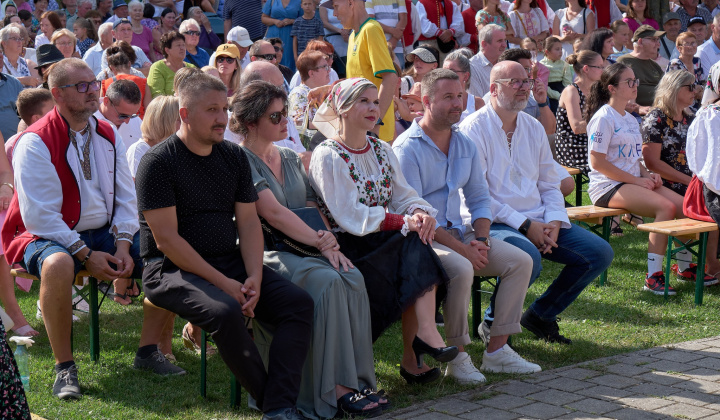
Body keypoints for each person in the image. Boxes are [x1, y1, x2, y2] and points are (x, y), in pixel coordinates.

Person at [2, 58, 184, 401]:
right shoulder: (34, 141)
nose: (93, 91)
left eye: (93, 84)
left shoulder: (106, 131)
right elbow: (40, 217)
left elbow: (126, 198)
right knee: (58, 264)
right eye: (81, 86)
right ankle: (64, 367)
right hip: (41, 234)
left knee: (163, 247)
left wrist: (122, 243)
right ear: (57, 94)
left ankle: (148, 351)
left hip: (101, 232)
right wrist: (86, 254)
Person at [136, 70, 313, 420]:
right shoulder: (157, 162)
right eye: (212, 110)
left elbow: (248, 223)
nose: (223, 119)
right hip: (169, 269)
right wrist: (226, 285)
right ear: (184, 114)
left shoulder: (232, 156)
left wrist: (254, 279)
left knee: (298, 304)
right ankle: (277, 406)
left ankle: (278, 404)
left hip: (227, 260)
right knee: (225, 312)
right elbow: (167, 240)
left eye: (224, 109)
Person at [232, 80, 387, 419]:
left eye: (284, 114)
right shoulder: (240, 160)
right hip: (265, 254)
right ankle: (334, 389)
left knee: (352, 276)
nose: (285, 121)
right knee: (329, 283)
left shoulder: (288, 156)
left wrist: (328, 242)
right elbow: (272, 212)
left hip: (304, 245)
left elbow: (308, 204)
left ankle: (359, 381)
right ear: (251, 121)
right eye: (275, 117)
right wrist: (320, 241)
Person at [309, 78, 460, 387]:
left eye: (374, 102)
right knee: (413, 244)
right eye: (363, 101)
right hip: (350, 244)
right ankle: (422, 341)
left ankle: (424, 336)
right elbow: (348, 214)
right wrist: (404, 222)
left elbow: (403, 195)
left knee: (415, 241)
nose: (372, 108)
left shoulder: (380, 148)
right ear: (342, 108)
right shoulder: (328, 154)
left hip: (385, 239)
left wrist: (418, 213)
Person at [394, 68, 540, 385]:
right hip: (422, 239)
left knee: (520, 260)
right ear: (426, 101)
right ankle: (458, 355)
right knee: (461, 267)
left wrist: (483, 239)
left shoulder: (464, 144)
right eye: (448, 97)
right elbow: (418, 215)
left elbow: (478, 198)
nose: (458, 103)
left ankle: (497, 351)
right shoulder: (407, 149)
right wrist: (464, 249)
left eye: (460, 95)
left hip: (461, 233)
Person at [459, 60, 614, 344]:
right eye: (514, 82)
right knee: (528, 256)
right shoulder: (473, 129)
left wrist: (555, 220)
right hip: (492, 222)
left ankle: (540, 315)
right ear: (493, 89)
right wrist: (527, 225)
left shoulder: (532, 127)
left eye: (526, 81)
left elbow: (549, 182)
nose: (523, 88)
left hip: (538, 220)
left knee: (599, 253)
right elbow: (478, 197)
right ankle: (493, 324)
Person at [586, 63, 699, 295]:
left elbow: (634, 160)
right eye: (629, 82)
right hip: (607, 185)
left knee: (685, 206)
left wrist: (648, 176)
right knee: (665, 207)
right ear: (612, 88)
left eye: (635, 80)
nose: (635, 85)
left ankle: (685, 267)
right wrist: (637, 181)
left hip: (630, 181)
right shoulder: (603, 118)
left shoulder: (628, 117)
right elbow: (597, 162)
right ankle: (653, 276)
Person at [323, 0, 398, 143]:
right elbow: (361, 80)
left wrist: (376, 121)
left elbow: (390, 78)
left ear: (351, 3)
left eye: (336, 7)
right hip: (361, 132)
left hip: (375, 136)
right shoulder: (353, 35)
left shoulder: (371, 29)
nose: (334, 13)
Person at [555, 50, 603, 174]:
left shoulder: (596, 90)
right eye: (600, 67)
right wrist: (605, 121)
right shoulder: (571, 91)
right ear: (586, 69)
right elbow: (577, 127)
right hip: (573, 148)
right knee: (610, 164)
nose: (603, 70)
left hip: (592, 143)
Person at [616, 25, 665, 111]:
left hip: (658, 111)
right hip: (637, 114)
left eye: (658, 40)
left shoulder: (655, 65)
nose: (658, 44)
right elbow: (619, 93)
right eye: (654, 40)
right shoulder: (624, 62)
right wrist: (638, 108)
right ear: (640, 42)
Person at [288, 50, 330, 145]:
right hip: (309, 152)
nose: (329, 70)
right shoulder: (299, 93)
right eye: (325, 67)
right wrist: (333, 125)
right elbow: (298, 123)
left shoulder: (324, 92)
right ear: (311, 73)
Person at [101, 46, 151, 118]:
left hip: (115, 126)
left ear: (111, 68)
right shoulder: (143, 82)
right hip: (139, 124)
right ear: (129, 64)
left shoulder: (105, 84)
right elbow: (149, 110)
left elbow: (103, 111)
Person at [443, 49, 485, 122]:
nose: (446, 75)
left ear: (465, 76)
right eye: (443, 71)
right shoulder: (438, 100)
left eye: (451, 71)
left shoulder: (477, 103)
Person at [147, 31, 194, 98]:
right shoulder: (158, 67)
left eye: (183, 45)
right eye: (178, 45)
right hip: (168, 107)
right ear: (167, 50)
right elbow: (157, 96)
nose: (182, 48)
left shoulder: (191, 68)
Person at [667, 31, 705, 111]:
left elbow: (703, 83)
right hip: (681, 107)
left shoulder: (697, 61)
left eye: (693, 43)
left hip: (698, 105)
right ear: (678, 48)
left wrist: (700, 88)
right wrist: (696, 90)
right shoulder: (675, 64)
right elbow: (676, 91)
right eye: (687, 44)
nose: (691, 46)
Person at [261, 0, 301, 72]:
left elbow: (304, 19)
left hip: (291, 38)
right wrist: (274, 21)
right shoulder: (272, 0)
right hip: (273, 35)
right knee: (272, 59)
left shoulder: (299, 1)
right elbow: (263, 18)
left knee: (289, 60)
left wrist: (292, 21)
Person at [468, 23, 506, 97]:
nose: (505, 45)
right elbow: (477, 103)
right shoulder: (472, 67)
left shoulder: (506, 63)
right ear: (484, 44)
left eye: (505, 40)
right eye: (499, 41)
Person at [366, 0, 407, 65]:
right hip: (378, 45)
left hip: (396, 46)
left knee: (399, 73)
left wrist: (394, 39)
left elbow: (404, 19)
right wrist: (394, 34)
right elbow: (370, 21)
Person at [540, 36, 572, 113]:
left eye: (561, 48)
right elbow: (543, 85)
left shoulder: (564, 65)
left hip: (562, 91)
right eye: (557, 49)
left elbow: (567, 83)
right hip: (548, 93)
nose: (561, 51)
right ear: (547, 52)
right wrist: (558, 96)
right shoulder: (541, 65)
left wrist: (564, 94)